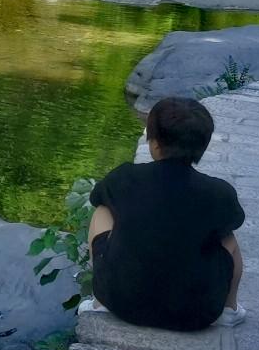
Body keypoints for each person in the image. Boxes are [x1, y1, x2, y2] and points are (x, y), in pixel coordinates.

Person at [87, 96, 247, 331]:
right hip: (196, 314)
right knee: (227, 236)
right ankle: (229, 309)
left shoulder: (125, 177)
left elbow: (96, 197)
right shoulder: (219, 192)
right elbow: (235, 219)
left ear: (155, 144)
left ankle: (98, 302)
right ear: (202, 146)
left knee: (103, 211)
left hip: (120, 302)